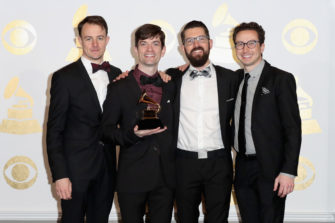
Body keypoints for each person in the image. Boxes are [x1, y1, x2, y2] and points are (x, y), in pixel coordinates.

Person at [46, 15, 121, 222]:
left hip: (106, 171)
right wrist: (60, 175)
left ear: (107, 39)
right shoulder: (64, 77)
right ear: (79, 41)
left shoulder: (117, 75)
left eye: (100, 38)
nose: (95, 44)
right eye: (88, 38)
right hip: (74, 173)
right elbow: (54, 131)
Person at [166, 20, 240, 223]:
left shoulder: (230, 79)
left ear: (210, 43)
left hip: (219, 163)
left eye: (201, 38)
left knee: (218, 219)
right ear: (182, 48)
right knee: (185, 218)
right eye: (190, 40)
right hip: (182, 163)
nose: (196, 43)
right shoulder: (172, 78)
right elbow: (144, 77)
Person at [101, 24, 175, 223]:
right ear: (135, 49)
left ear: (163, 49)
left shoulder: (172, 85)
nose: (149, 49)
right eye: (144, 44)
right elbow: (105, 131)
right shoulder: (118, 87)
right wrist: (132, 135)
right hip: (132, 177)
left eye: (155, 43)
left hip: (166, 178)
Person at [232, 22, 302, 222]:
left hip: (271, 168)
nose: (245, 49)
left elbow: (292, 128)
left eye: (251, 43)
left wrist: (288, 171)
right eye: (240, 44)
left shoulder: (281, 79)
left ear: (262, 46)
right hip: (243, 167)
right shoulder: (235, 79)